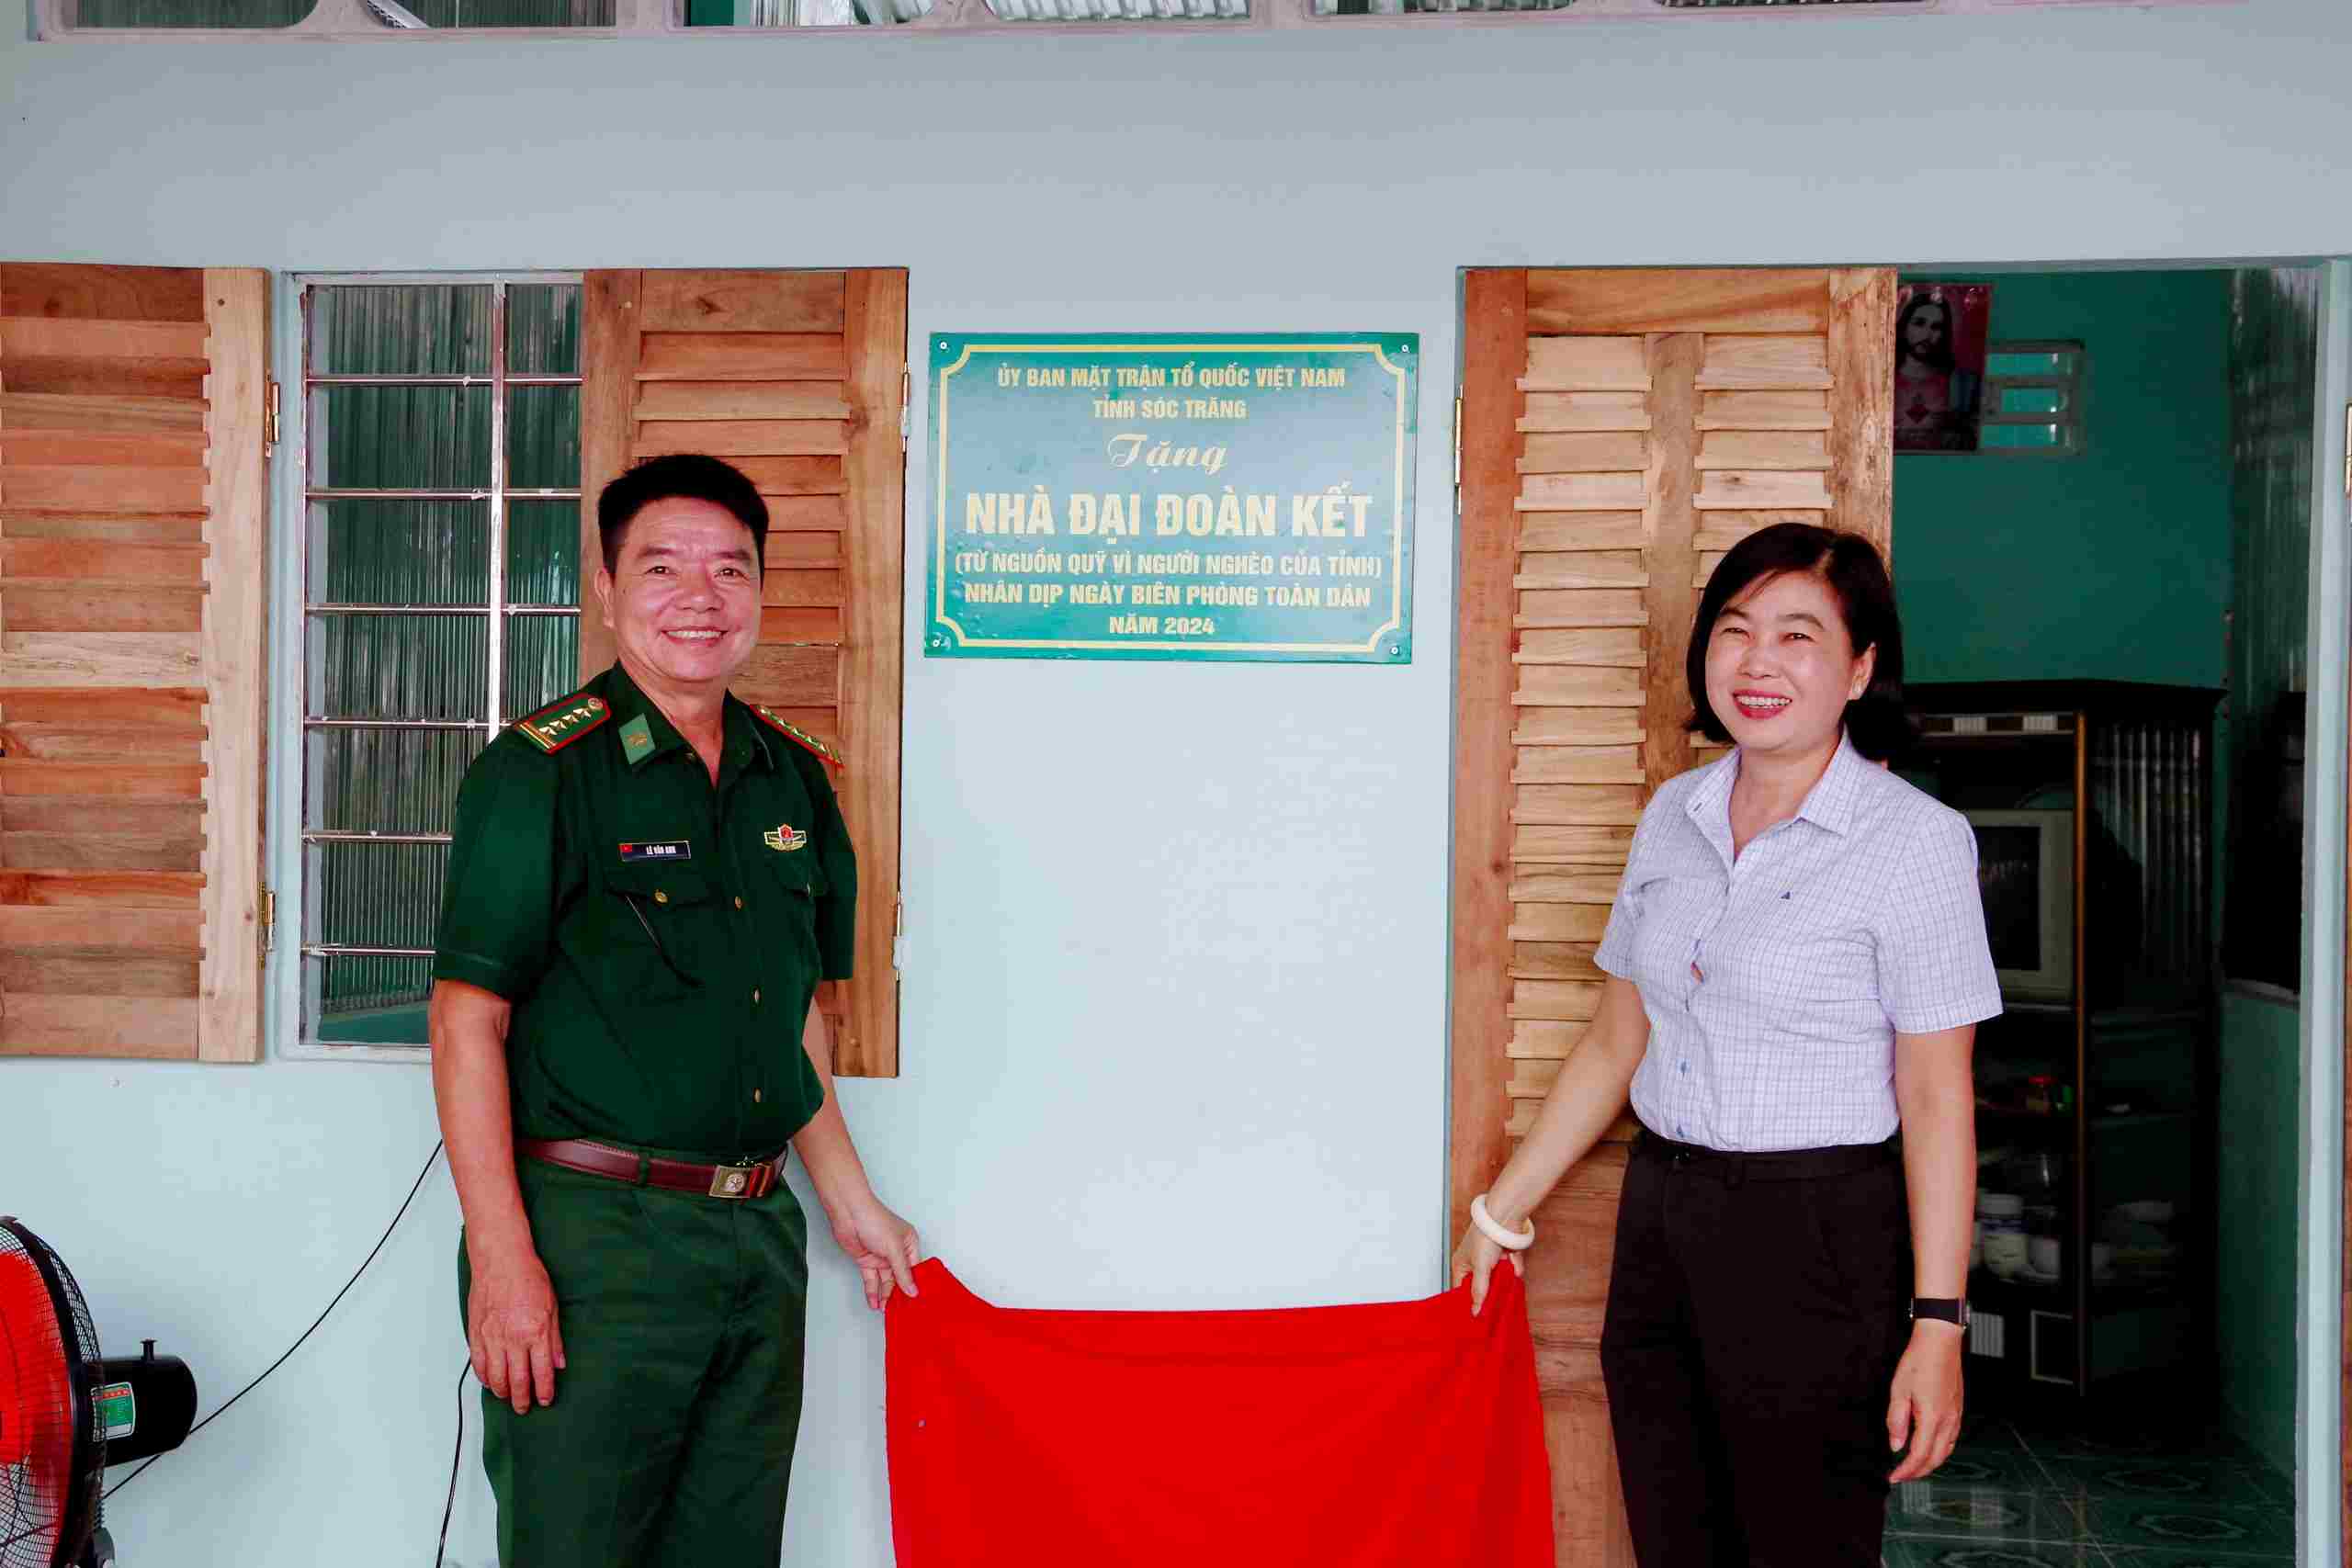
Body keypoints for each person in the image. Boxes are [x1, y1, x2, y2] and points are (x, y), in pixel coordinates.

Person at [1451, 523, 1999, 1568]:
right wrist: (1501, 1210)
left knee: (1803, 1544)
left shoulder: (1915, 843)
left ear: (1860, 666)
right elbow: (1620, 1035)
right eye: (1735, 629)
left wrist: (1937, 1323)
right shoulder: (1676, 814)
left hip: (1820, 1234)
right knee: (1673, 1538)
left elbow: (1936, 1098)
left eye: (1798, 635)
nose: (1758, 660)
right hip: (1663, 1218)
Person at [428, 452, 921, 1568]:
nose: (700, 597)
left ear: (758, 592)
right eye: (663, 567)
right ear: (606, 587)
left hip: (756, 1233)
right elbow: (468, 1022)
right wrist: (504, 1261)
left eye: (730, 570)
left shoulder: (791, 777)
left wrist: (850, 1203)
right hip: (597, 1241)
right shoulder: (541, 772)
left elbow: (790, 1015)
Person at [1894, 289, 1984, 452]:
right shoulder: (1879, 381)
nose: (1927, 334)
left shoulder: (1964, 385)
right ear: (1904, 326)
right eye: (1919, 323)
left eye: (1936, 327)